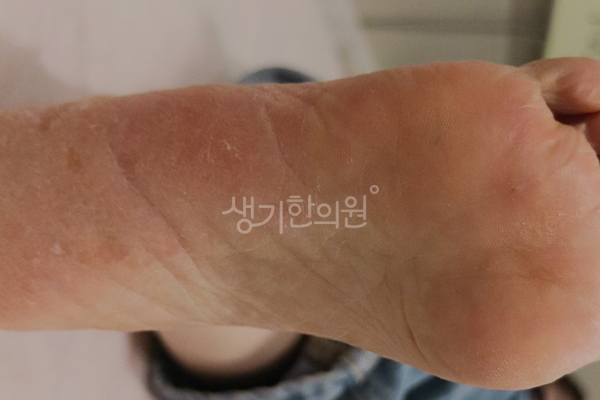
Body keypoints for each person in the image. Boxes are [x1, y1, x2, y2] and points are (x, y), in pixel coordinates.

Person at [0, 57, 599, 400]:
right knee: (322, 337)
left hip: (461, 321)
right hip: (457, 320)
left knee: (354, 309)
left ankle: (227, 247)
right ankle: (224, 270)